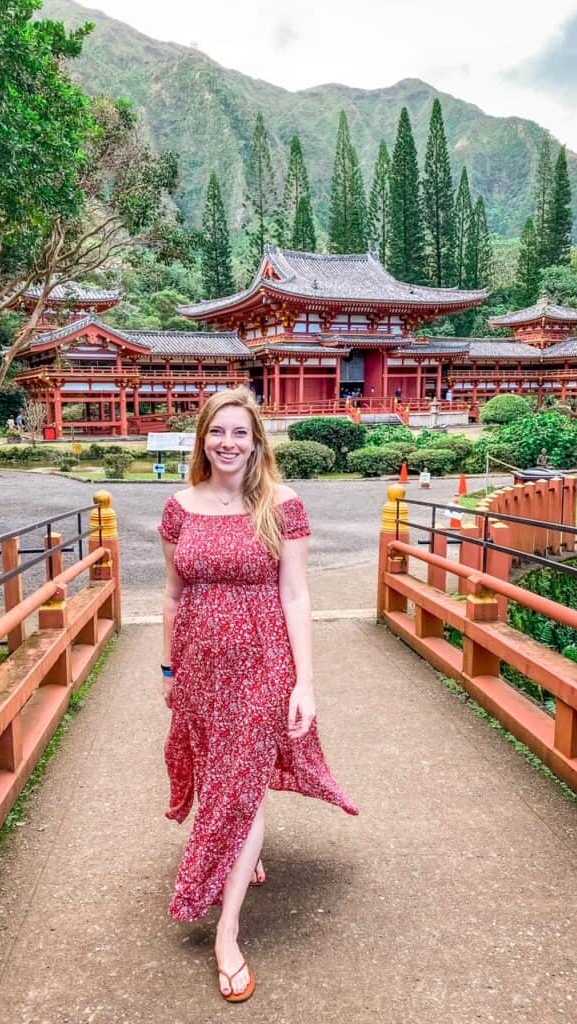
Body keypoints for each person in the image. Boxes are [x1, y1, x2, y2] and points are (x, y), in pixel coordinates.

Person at [158, 387, 357, 1004]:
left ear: (257, 440)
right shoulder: (178, 508)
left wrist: (305, 681)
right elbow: (171, 594)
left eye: (240, 432)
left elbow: (295, 594)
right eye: (218, 431)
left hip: (262, 666)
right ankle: (246, 844)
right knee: (223, 778)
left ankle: (227, 930)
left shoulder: (282, 504)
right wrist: (168, 674)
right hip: (198, 670)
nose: (228, 443)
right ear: (203, 438)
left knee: (239, 783)